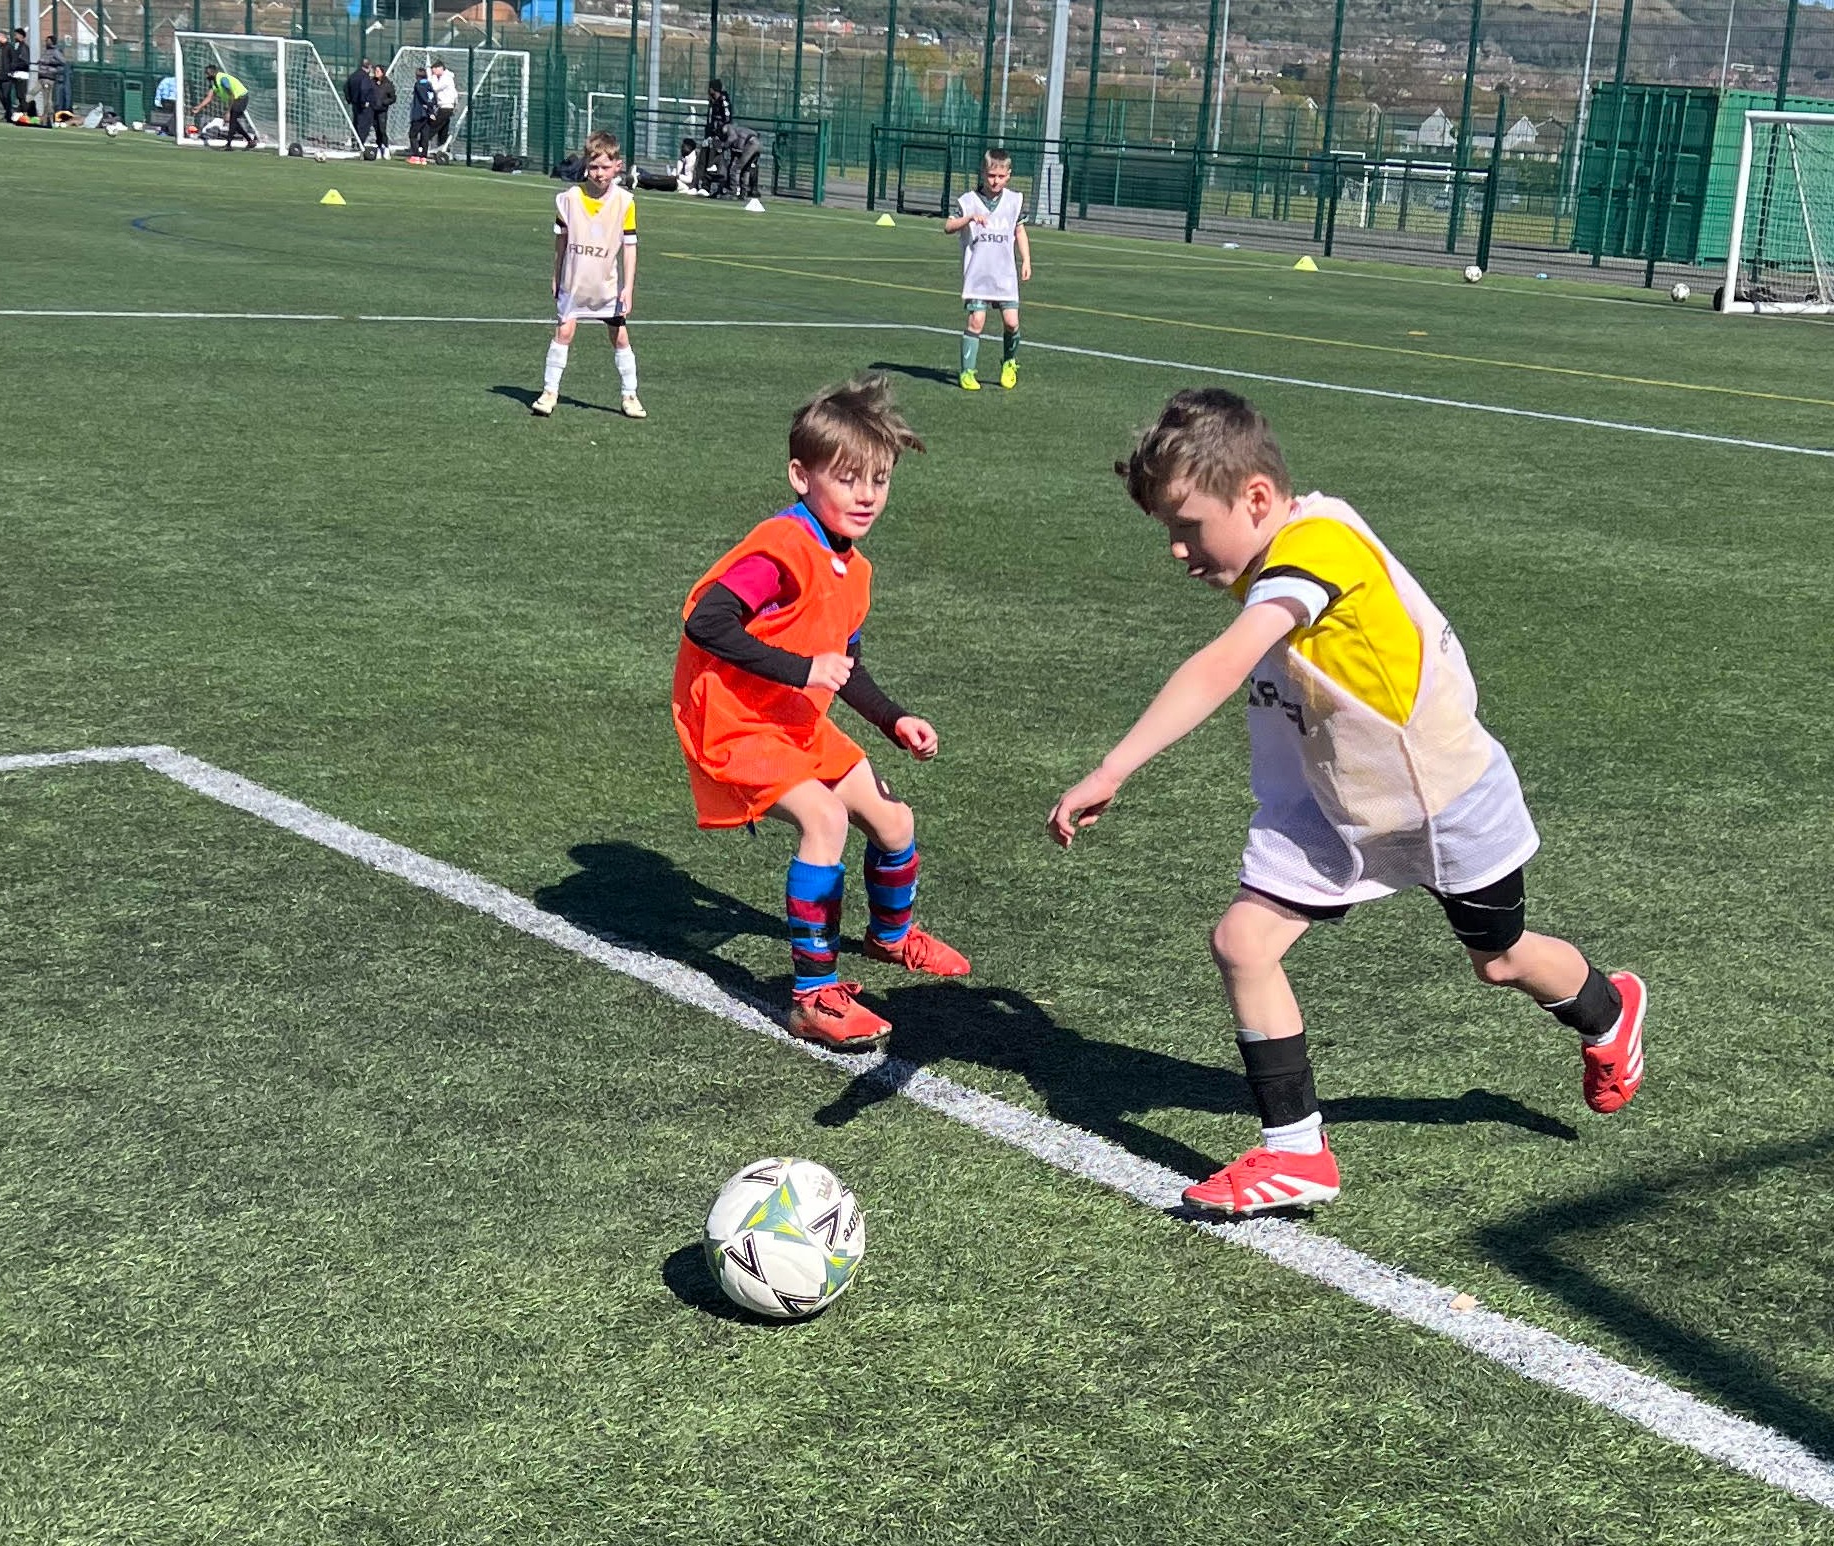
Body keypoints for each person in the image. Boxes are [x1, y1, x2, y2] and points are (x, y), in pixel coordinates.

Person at [1048, 390, 1646, 1217]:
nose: (1179, 552)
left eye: (1187, 526)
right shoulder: (1271, 553)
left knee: (1500, 960)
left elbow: (1223, 665)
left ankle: (1609, 1010)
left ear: (1256, 498)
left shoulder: (1317, 546)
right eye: (1168, 532)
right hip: (1334, 804)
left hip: (1442, 802)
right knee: (1242, 942)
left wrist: (1112, 767)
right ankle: (1294, 1153)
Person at [672, 376, 969, 1050]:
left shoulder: (853, 568)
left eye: (880, 480)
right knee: (825, 818)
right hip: (737, 722)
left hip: (794, 720)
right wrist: (802, 671)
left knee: (894, 820)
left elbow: (845, 666)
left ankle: (890, 936)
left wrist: (893, 718)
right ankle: (812, 996)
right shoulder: (779, 550)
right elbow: (706, 622)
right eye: (849, 478)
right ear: (800, 476)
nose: (866, 495)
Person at [532, 131, 642, 420]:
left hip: (606, 286)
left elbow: (630, 248)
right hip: (575, 281)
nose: (599, 173)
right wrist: (556, 274)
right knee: (564, 331)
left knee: (619, 336)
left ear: (617, 166)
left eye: (605, 167)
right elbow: (561, 243)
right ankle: (549, 391)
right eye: (593, 167)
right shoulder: (569, 199)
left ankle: (629, 394)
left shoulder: (624, 202)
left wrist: (628, 288)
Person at [944, 148, 1029, 390]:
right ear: (983, 173)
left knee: (1012, 322)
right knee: (976, 321)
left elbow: (1019, 231)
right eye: (991, 175)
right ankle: (967, 372)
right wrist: (969, 218)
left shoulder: (1014, 201)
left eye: (1001, 177)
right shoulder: (968, 201)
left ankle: (1009, 363)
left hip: (1004, 275)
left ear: (1009, 175)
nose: (996, 181)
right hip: (978, 275)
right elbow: (948, 226)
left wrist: (1026, 260)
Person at [191, 62, 254, 150]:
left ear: (213, 73)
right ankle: (250, 141)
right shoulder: (215, 82)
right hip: (236, 99)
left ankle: (228, 145)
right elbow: (210, 96)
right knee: (234, 122)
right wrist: (199, 107)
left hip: (241, 97)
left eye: (207, 73)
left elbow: (232, 94)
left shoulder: (223, 79)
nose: (206, 76)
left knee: (232, 120)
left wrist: (228, 112)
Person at [425, 58, 456, 158]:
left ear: (440, 68)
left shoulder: (446, 78)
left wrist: (431, 76)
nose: (433, 71)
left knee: (433, 125)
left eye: (434, 69)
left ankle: (423, 145)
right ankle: (442, 148)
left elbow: (434, 88)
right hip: (443, 106)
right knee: (443, 129)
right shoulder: (442, 78)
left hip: (446, 107)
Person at [0, 28, 27, 123]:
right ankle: (10, 114)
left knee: (21, 96)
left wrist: (13, 66)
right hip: (15, 75)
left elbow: (24, 62)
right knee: (15, 95)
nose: (14, 37)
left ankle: (25, 114)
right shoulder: (17, 46)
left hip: (21, 75)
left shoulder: (23, 48)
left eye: (16, 35)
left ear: (21, 36)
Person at [405, 65, 432, 159]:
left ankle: (415, 155)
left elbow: (423, 97)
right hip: (427, 114)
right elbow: (432, 97)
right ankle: (423, 156)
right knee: (425, 135)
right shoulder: (429, 84)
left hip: (419, 113)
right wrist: (430, 107)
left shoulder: (418, 85)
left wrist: (426, 103)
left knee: (412, 134)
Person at [365, 62, 392, 153]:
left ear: (382, 72)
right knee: (376, 129)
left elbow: (392, 97)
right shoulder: (372, 82)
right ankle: (379, 147)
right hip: (373, 109)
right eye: (375, 71)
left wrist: (384, 102)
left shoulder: (387, 84)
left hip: (382, 110)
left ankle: (386, 147)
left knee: (382, 129)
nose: (376, 72)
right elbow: (368, 93)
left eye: (378, 71)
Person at [37, 35, 65, 116]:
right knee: (36, 94)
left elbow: (63, 61)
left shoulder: (55, 51)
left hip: (49, 78)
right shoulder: (46, 51)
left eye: (48, 41)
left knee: (47, 98)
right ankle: (47, 114)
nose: (46, 42)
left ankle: (48, 114)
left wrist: (50, 62)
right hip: (42, 77)